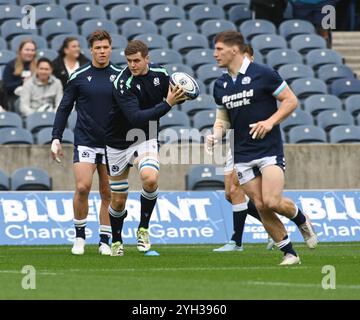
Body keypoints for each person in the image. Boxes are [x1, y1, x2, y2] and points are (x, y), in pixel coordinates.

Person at [208, 31, 318, 265]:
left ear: (234, 50)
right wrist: (215, 134)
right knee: (259, 204)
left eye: (219, 49)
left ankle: (300, 218)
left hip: (269, 150)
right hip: (242, 154)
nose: (214, 54)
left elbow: (290, 100)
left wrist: (269, 122)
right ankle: (290, 253)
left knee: (271, 201)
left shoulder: (264, 74)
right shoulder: (220, 84)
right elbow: (222, 119)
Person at [105, 40, 188, 256]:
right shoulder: (122, 83)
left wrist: (184, 94)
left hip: (145, 137)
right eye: (129, 61)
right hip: (116, 142)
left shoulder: (161, 74)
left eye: (137, 61)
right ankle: (116, 240)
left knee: (150, 178)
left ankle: (143, 229)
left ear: (147, 59)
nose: (132, 65)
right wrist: (168, 104)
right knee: (118, 199)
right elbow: (134, 117)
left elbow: (179, 91)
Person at [51, 30, 122, 256]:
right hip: (85, 141)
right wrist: (56, 138)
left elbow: (130, 110)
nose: (102, 51)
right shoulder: (79, 75)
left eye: (106, 47)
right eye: (98, 48)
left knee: (107, 192)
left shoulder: (121, 77)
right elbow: (64, 108)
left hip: (112, 144)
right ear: (90, 50)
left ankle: (104, 240)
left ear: (111, 49)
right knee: (82, 187)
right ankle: (80, 237)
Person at [211, 44, 274, 252]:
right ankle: (273, 227)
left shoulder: (260, 80)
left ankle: (236, 241)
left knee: (236, 190)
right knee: (230, 194)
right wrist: (215, 134)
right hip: (234, 144)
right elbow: (222, 117)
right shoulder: (225, 84)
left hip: (257, 145)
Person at [2, 39, 37, 110]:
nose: (30, 52)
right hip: (16, 97)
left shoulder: (39, 66)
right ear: (20, 51)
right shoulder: (11, 65)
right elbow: (6, 87)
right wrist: (22, 82)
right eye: (27, 50)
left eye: (32, 50)